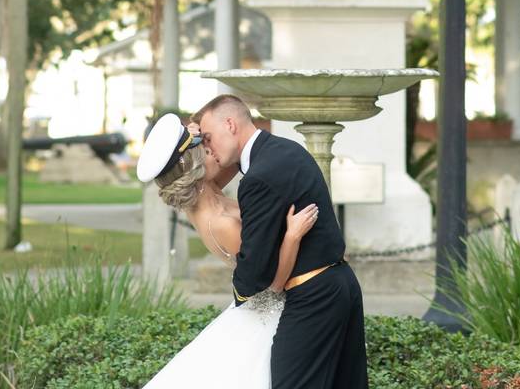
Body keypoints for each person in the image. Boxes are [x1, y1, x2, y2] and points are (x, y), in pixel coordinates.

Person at [136, 112, 320, 389]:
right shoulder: (221, 223)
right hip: (269, 313)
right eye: (206, 148)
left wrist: (198, 130)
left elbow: (235, 155)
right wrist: (292, 236)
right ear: (197, 167)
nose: (214, 150)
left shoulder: (208, 193)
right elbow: (272, 285)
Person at [196, 94, 368, 389]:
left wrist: (241, 289)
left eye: (208, 138)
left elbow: (254, 275)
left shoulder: (258, 177)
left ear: (230, 124)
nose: (208, 148)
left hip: (314, 296)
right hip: (339, 284)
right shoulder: (284, 149)